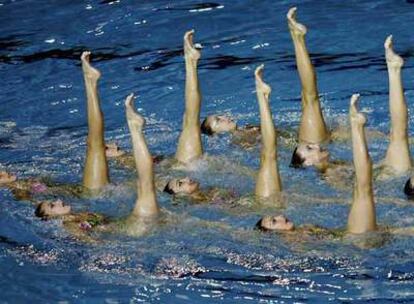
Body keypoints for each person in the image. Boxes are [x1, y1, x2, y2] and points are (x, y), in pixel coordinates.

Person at [34, 94, 161, 237]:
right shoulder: (69, 225)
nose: (58, 201)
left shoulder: (77, 217)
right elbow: (95, 245)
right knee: (145, 184)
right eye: (52, 206)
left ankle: (136, 130)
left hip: (134, 225)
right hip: (135, 228)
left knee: (145, 184)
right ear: (49, 217)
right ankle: (135, 130)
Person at [256, 94, 378, 239]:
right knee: (363, 189)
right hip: (355, 240)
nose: (281, 216)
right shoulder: (295, 243)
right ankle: (356, 127)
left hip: (351, 238)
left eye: (275, 218)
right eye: (274, 221)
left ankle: (356, 127)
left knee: (364, 189)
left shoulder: (302, 231)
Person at [287, 7, 330, 168]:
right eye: (310, 148)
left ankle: (297, 37)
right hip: (319, 137)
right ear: (308, 163)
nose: (316, 146)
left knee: (309, 98)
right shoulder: (329, 175)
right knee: (309, 98)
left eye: (309, 146)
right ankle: (296, 37)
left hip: (319, 136)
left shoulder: (326, 171)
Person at [380, 36, 411, 175]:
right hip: (398, 172)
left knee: (398, 135)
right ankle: (393, 71)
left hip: (395, 174)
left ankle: (394, 71)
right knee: (398, 135)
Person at [81, 51, 110, 190]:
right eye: (52, 206)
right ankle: (89, 81)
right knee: (95, 145)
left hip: (97, 195)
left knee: (95, 145)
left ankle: (90, 82)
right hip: (97, 195)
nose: (58, 201)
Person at [254, 65, 282, 200]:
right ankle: (262, 96)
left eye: (273, 222)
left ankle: (261, 95)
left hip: (265, 204)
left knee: (269, 157)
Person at [175, 30, 204, 164]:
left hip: (185, 167)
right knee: (190, 123)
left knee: (190, 123)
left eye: (179, 183)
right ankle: (190, 62)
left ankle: (190, 62)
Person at [163, 177, 237, 204]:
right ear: (179, 195)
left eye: (183, 177)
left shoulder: (209, 189)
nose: (187, 178)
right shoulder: (201, 203)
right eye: (180, 183)